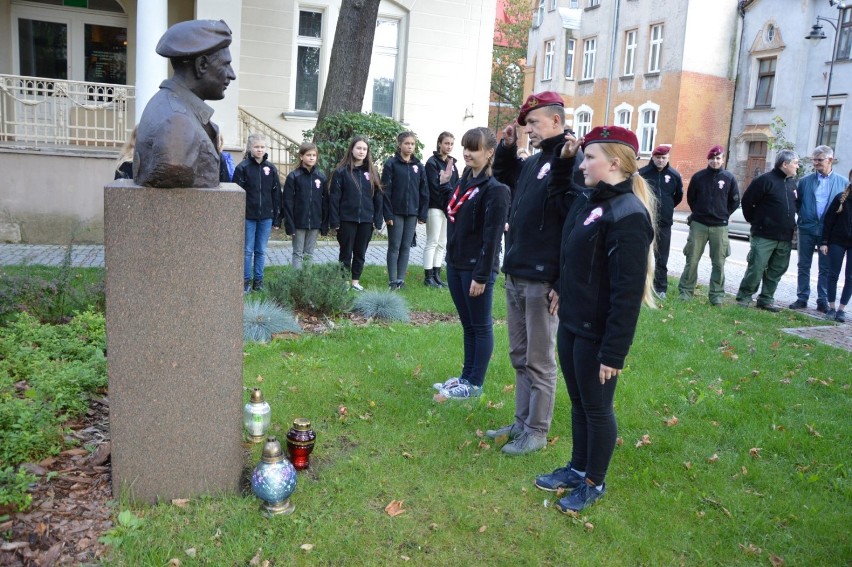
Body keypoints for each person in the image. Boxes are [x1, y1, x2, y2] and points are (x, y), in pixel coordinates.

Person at [534, 125, 656, 513]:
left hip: (598, 334)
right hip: (573, 323)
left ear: (615, 163)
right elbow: (575, 256)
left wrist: (613, 353)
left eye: (589, 157)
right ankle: (577, 466)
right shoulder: (593, 201)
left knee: (598, 409)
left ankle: (594, 482)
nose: (582, 163)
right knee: (579, 401)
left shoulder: (628, 214)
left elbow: (626, 294)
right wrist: (562, 288)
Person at [483, 91, 581, 456]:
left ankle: (537, 431)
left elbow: (571, 223)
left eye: (534, 123)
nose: (529, 130)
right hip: (517, 273)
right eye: (526, 125)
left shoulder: (570, 161)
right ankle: (521, 422)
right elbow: (506, 177)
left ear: (556, 121)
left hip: (543, 280)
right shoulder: (537, 159)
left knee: (539, 360)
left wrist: (561, 281)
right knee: (519, 354)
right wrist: (507, 148)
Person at [433, 127, 510, 399]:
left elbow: (492, 239)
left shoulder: (496, 190)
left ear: (489, 153)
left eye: (473, 148)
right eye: (465, 147)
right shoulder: (464, 179)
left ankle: (475, 384)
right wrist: (444, 185)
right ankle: (466, 377)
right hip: (455, 262)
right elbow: (454, 212)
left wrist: (482, 275)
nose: (466, 152)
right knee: (467, 324)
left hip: (477, 268)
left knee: (480, 325)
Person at [134, 19, 236, 188]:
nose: (232, 75)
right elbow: (174, 166)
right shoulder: (177, 121)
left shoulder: (169, 106)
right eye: (225, 65)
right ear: (201, 65)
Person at [735, 150, 800, 311]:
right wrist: (757, 222)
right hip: (764, 235)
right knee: (756, 267)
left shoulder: (791, 183)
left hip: (784, 237)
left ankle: (766, 299)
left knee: (776, 271)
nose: (797, 166)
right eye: (795, 163)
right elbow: (748, 202)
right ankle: (744, 298)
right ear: (785, 164)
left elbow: (795, 206)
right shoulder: (764, 180)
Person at [677, 145, 740, 306]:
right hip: (699, 224)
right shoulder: (699, 177)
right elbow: (691, 198)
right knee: (692, 259)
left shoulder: (729, 178)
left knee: (719, 262)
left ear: (723, 159)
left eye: (718, 158)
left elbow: (734, 201)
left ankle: (716, 296)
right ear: (708, 159)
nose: (715, 161)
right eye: (712, 158)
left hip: (720, 226)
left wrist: (723, 214)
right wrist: (699, 212)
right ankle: (685, 292)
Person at [789, 146, 849, 312]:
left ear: (830, 160)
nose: (815, 163)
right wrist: (801, 218)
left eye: (819, 160)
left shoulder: (843, 182)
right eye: (813, 160)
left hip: (828, 231)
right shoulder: (805, 181)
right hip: (807, 227)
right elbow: (798, 203)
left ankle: (822, 299)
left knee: (825, 267)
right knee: (803, 264)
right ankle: (802, 297)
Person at [329, 136, 384, 291]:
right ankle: (344, 282)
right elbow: (334, 198)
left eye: (364, 149)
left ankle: (355, 281)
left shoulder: (372, 173)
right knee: (346, 252)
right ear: (352, 149)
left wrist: (377, 220)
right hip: (346, 219)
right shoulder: (341, 172)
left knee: (360, 252)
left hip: (366, 220)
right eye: (359, 148)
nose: (361, 151)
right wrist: (335, 221)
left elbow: (378, 198)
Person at [233, 133, 281, 293]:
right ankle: (245, 281)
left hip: (266, 216)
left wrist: (276, 218)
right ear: (250, 148)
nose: (260, 150)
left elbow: (276, 194)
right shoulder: (242, 168)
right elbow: (237, 194)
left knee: (261, 250)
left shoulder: (271, 168)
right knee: (247, 250)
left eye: (262, 147)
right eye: (256, 147)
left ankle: (258, 281)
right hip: (248, 216)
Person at [382, 132, 429, 290]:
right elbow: (385, 191)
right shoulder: (391, 164)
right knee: (394, 246)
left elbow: (424, 191)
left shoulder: (418, 166)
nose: (409, 146)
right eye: (407, 143)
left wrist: (422, 213)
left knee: (406, 246)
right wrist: (387, 214)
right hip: (395, 212)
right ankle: (392, 281)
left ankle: (401, 280)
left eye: (412, 144)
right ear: (400, 144)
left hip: (412, 213)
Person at [639, 144, 683, 298]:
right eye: (658, 157)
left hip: (664, 223)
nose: (660, 161)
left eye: (664, 158)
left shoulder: (674, 175)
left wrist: (667, 208)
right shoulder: (642, 174)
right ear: (652, 157)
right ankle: (639, 285)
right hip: (645, 221)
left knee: (662, 257)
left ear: (668, 158)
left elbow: (677, 197)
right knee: (641, 254)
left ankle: (660, 288)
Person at [282, 143, 329, 269]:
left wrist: (324, 224)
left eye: (314, 155)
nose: (312, 158)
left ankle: (306, 282)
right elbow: (287, 202)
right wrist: (290, 225)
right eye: (308, 155)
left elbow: (325, 202)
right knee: (298, 253)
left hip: (314, 222)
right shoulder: (294, 177)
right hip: (298, 223)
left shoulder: (321, 177)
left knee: (309, 253)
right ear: (301, 156)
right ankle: (297, 282)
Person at [423, 132, 459, 287]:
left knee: (442, 242)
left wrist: (452, 206)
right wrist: (445, 204)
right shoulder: (432, 163)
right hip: (435, 207)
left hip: (448, 208)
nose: (449, 146)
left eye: (451, 144)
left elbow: (456, 185)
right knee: (432, 241)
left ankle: (437, 275)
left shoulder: (453, 164)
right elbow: (434, 187)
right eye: (446, 143)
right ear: (439, 144)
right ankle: (428, 276)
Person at [820, 175, 852, 323]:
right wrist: (824, 242)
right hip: (837, 241)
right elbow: (828, 221)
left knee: (850, 277)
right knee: (832, 274)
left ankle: (841, 310)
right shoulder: (841, 198)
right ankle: (831, 308)